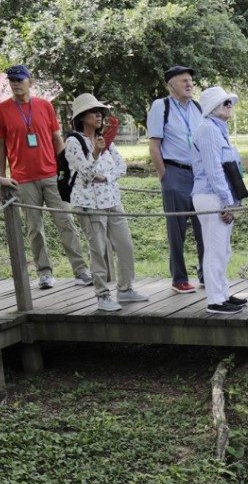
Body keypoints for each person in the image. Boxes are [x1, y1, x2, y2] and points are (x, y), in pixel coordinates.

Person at [0, 64, 92, 289]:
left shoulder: (44, 106)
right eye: (12, 80)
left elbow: (56, 139)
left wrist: (65, 170)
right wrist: (1, 176)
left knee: (66, 221)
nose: (15, 83)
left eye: (20, 79)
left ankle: (80, 270)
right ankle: (44, 273)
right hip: (22, 178)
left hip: (51, 174)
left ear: (30, 82)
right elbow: (1, 146)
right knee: (34, 228)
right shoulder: (2, 110)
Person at [65, 93, 147, 312]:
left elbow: (121, 167)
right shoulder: (73, 141)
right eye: (93, 112)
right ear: (82, 117)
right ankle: (102, 295)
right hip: (90, 206)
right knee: (98, 250)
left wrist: (106, 176)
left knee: (125, 245)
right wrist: (96, 152)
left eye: (100, 111)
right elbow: (84, 174)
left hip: (112, 200)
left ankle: (126, 288)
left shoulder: (106, 141)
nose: (99, 115)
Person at [147, 65, 205, 293]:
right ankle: (179, 278)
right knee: (176, 229)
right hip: (175, 172)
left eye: (191, 80)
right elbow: (154, 146)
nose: (189, 84)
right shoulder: (161, 106)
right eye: (184, 81)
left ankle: (206, 274)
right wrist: (166, 177)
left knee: (204, 226)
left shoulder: (198, 107)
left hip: (199, 174)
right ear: (171, 84)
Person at [191, 86, 248, 314]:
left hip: (221, 196)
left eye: (229, 103)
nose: (229, 107)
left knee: (223, 249)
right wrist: (226, 202)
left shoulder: (218, 129)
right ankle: (215, 300)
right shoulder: (207, 129)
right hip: (210, 195)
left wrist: (230, 201)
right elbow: (213, 169)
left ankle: (223, 293)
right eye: (225, 103)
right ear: (213, 107)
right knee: (215, 249)